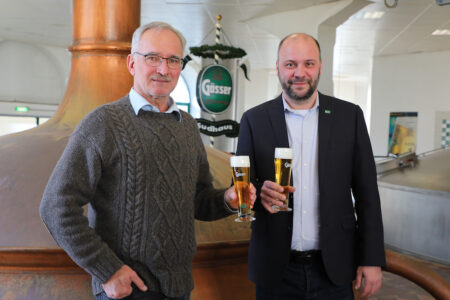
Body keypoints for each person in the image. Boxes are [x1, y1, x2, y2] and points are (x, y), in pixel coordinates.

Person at [40, 22, 255, 300]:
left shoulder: (187, 127)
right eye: (152, 58)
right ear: (131, 63)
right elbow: (56, 205)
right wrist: (108, 270)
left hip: (179, 289)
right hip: (126, 291)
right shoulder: (103, 123)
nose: (163, 69)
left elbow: (197, 201)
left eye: (173, 60)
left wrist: (228, 200)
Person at [235, 33, 385, 299]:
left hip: (334, 269)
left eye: (308, 64)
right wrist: (259, 193)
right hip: (275, 269)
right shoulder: (253, 120)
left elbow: (367, 194)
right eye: (290, 64)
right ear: (278, 67)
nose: (299, 73)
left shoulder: (349, 117)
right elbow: (243, 188)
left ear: (320, 66)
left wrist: (372, 258)